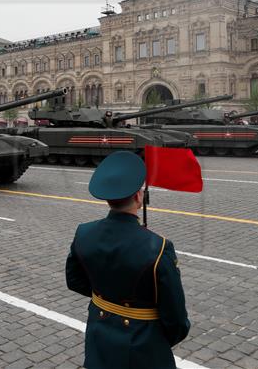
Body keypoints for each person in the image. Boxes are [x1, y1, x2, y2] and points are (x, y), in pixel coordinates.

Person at [65, 151, 190, 369]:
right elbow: (176, 319)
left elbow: (74, 281)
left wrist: (108, 295)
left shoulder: (84, 232)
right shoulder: (159, 247)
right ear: (139, 197)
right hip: (143, 343)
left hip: (98, 335)